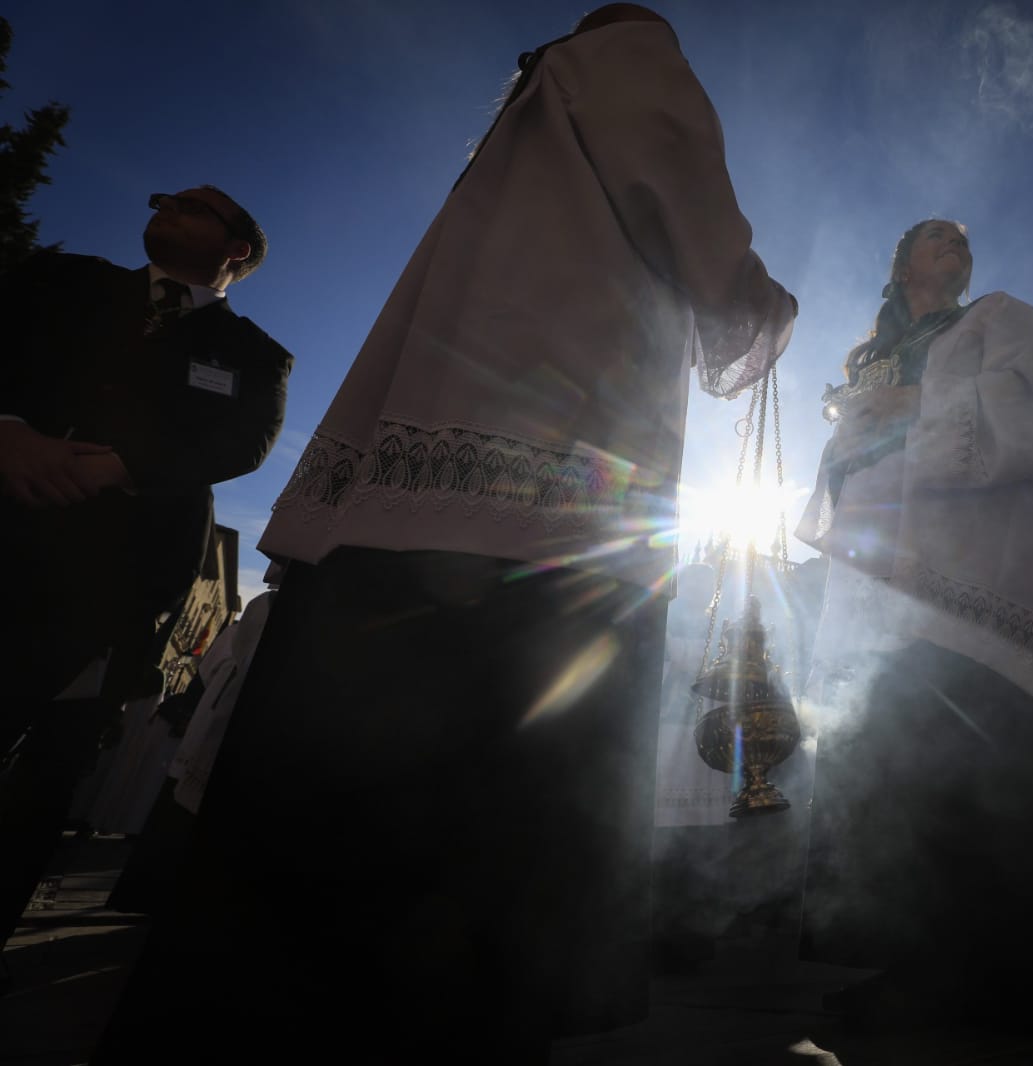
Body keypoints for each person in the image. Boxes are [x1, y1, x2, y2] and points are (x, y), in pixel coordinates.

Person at [94, 7, 794, 1064]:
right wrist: (758, 301)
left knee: (323, 850)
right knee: (474, 845)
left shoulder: (537, 89)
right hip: (537, 479)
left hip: (416, 469)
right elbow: (679, 186)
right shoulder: (634, 49)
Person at [794, 219, 1033, 1033]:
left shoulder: (1000, 316)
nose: (955, 247)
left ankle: (1011, 984)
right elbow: (846, 457)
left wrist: (912, 403)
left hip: (967, 568)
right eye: (934, 238)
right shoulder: (867, 356)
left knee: (969, 749)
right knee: (888, 756)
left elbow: (1027, 416)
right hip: (874, 572)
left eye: (961, 240)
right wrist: (857, 421)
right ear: (900, 263)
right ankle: (911, 965)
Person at [0, 184, 289, 950]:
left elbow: (242, 444)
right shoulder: (66, 281)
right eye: (166, 196)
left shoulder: (255, 355)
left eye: (196, 204)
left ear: (236, 248)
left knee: (44, 775)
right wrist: (9, 431)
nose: (167, 203)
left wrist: (119, 467)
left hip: (116, 585)